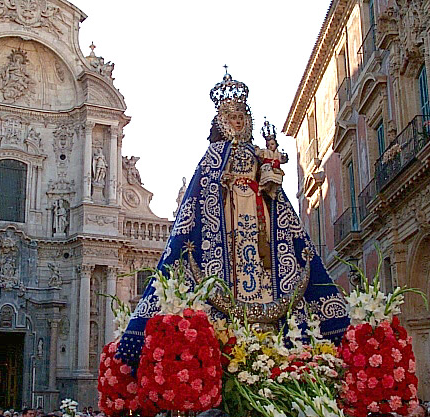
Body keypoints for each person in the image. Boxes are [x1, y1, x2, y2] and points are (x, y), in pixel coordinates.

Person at [117, 71, 349, 366]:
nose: (237, 121)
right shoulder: (213, 156)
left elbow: (273, 186)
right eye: (231, 116)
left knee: (263, 257)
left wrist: (269, 172)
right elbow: (202, 195)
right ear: (221, 121)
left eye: (241, 116)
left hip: (259, 215)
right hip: (227, 221)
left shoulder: (257, 152)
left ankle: (266, 297)